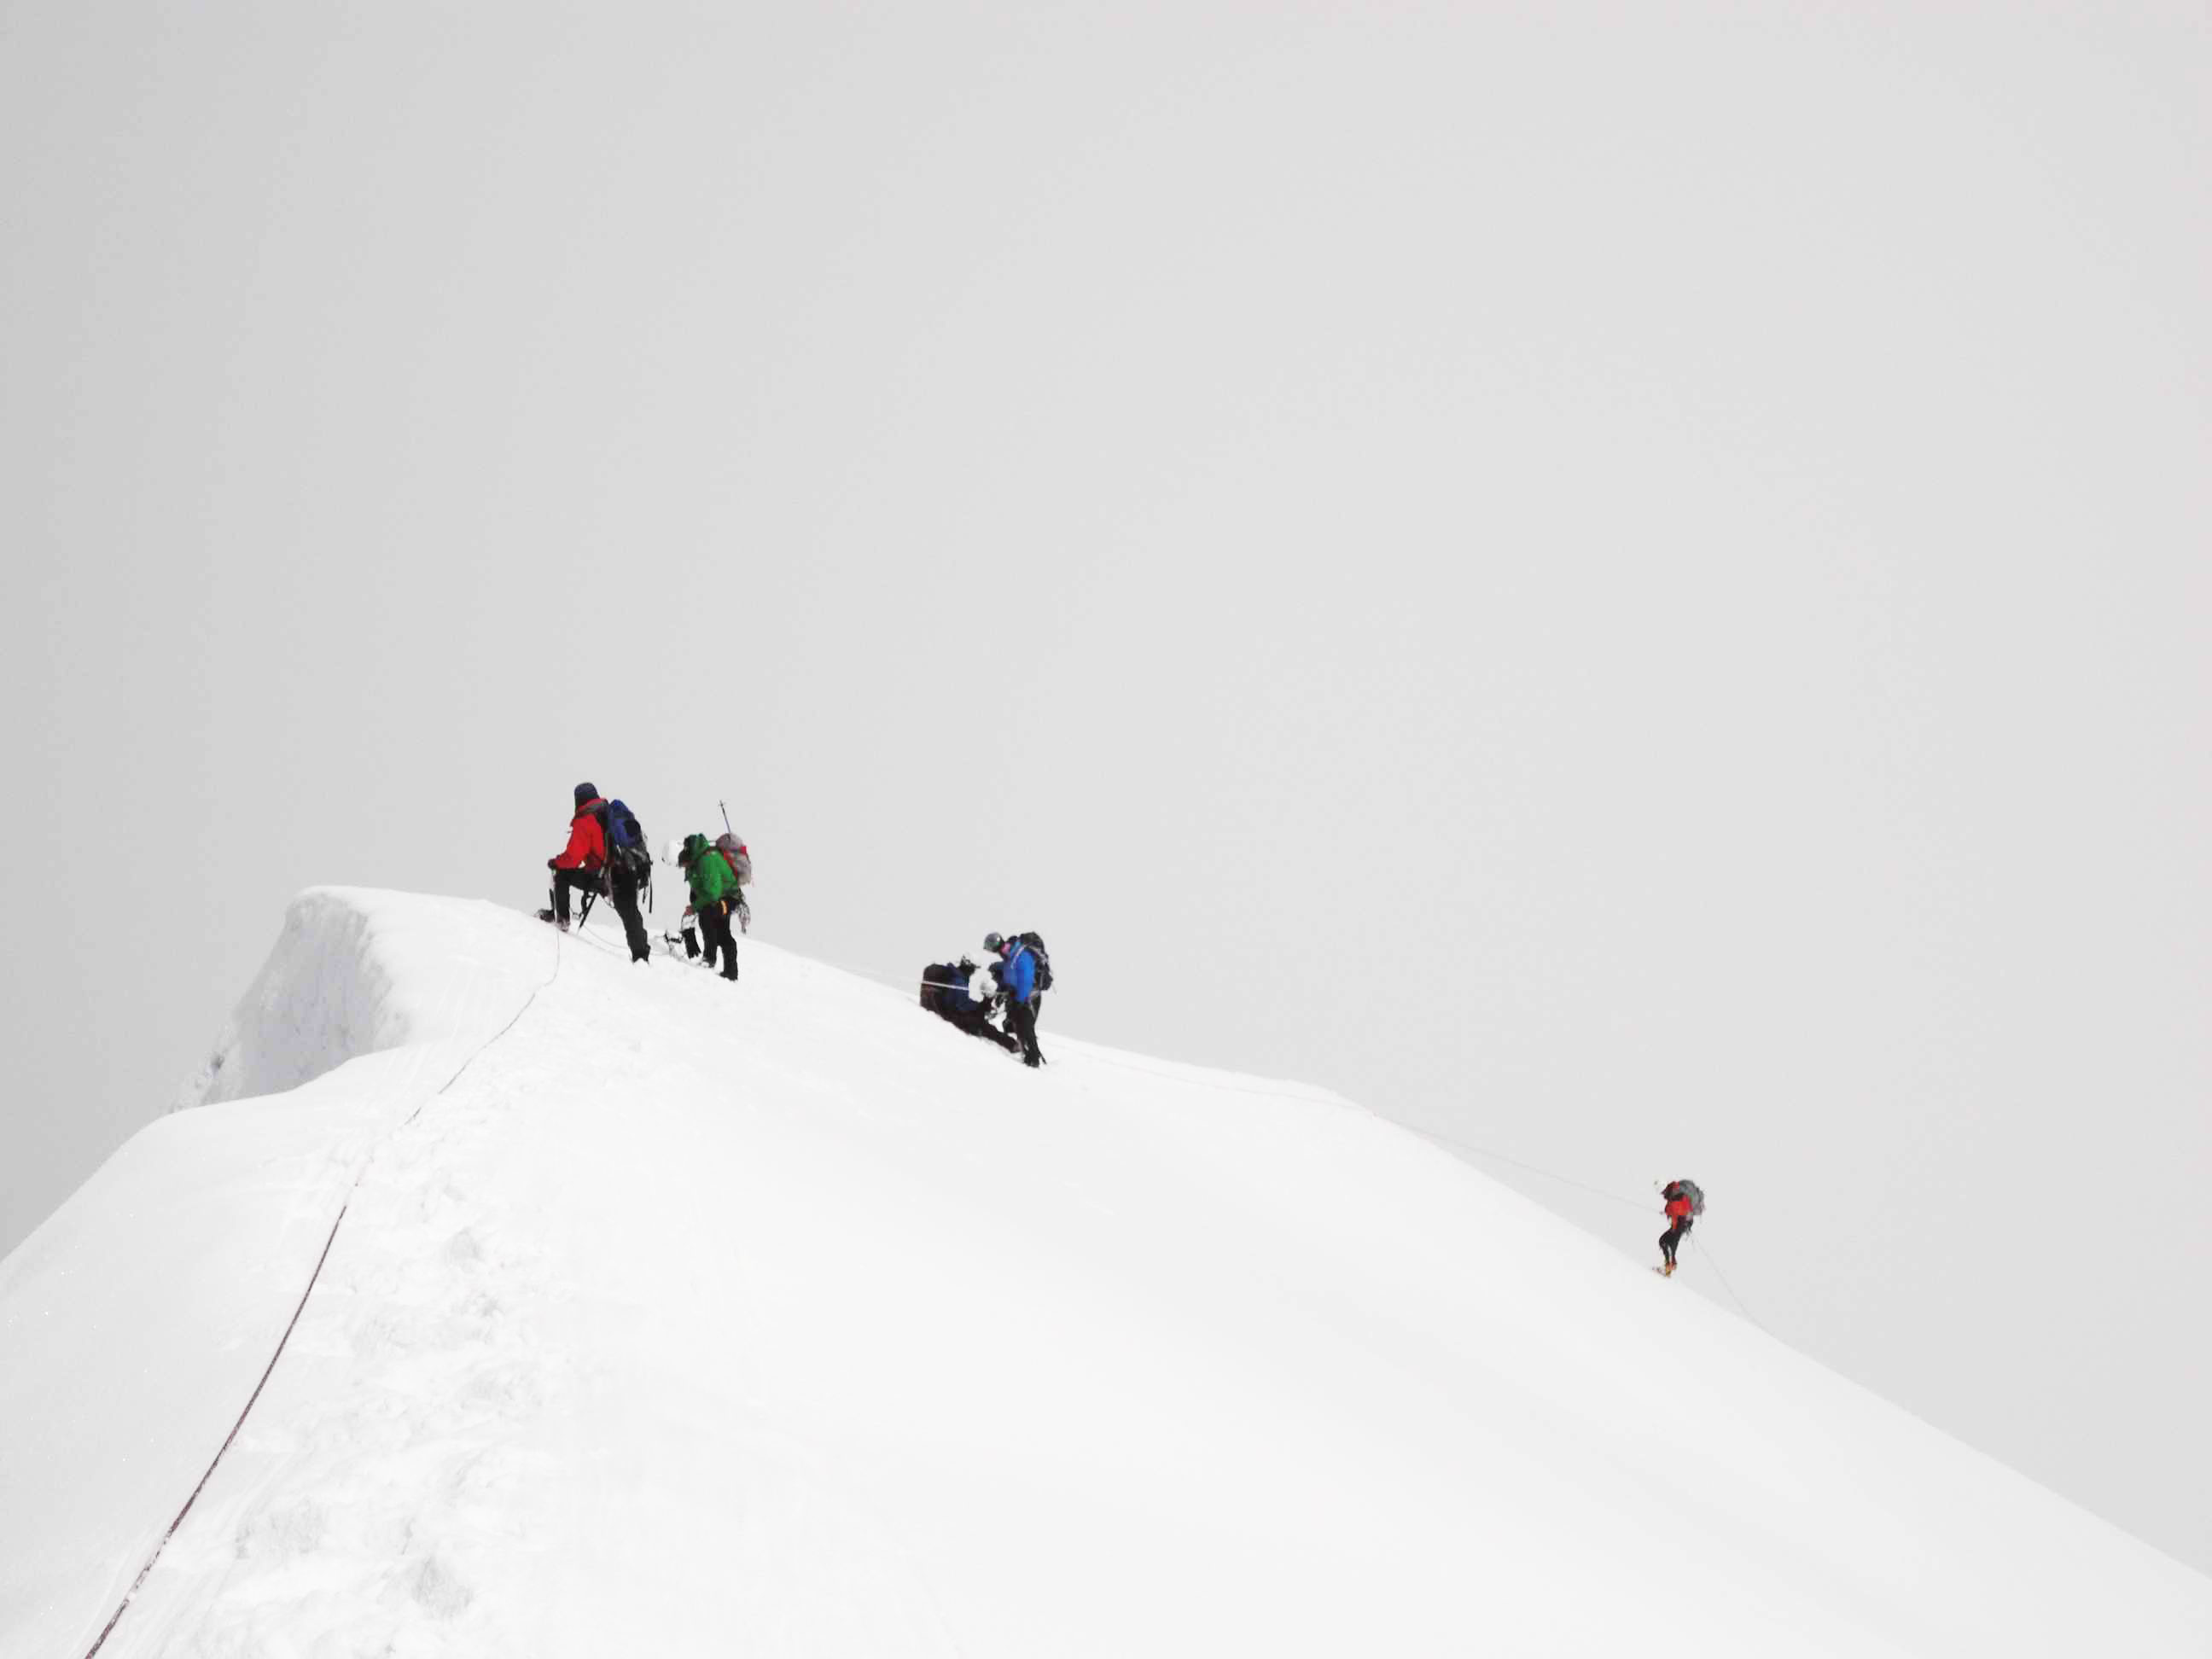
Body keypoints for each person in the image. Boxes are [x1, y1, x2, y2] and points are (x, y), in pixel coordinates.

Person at [540, 782, 608, 934]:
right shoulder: (606, 813)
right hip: (615, 871)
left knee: (561, 874)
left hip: (599, 876)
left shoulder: (585, 820)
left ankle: (561, 920)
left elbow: (572, 859)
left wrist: (556, 862)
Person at [921, 957, 1021, 1052]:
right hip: (951, 1014)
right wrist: (981, 1007)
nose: (973, 972)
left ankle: (1011, 1044)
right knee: (983, 1025)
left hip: (949, 1009)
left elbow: (962, 1002)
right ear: (969, 966)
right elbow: (963, 1005)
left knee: (979, 1018)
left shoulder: (956, 975)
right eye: (974, 969)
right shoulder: (958, 981)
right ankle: (1012, 1045)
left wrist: (981, 1007)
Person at [680, 832, 742, 981]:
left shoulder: (706, 861)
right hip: (721, 898)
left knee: (708, 918)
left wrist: (694, 907)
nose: (683, 868)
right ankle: (730, 973)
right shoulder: (697, 861)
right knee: (719, 930)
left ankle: (710, 959)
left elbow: (712, 894)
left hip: (729, 898)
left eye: (683, 865)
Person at [986, 929, 1045, 1068]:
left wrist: (1019, 1001)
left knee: (1026, 1025)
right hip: (1017, 996)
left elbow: (1026, 980)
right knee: (1014, 1024)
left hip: (1030, 997)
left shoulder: (1021, 956)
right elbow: (1008, 978)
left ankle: (1034, 1059)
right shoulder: (1009, 958)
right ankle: (1027, 1053)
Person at [1657, 1179, 1701, 1276]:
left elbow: (1678, 1211)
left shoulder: (1675, 1197)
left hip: (1682, 1223)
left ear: (1665, 1189)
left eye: (1662, 1192)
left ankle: (1669, 1267)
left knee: (1666, 1242)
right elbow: (1678, 1210)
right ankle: (1670, 1265)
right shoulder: (1674, 1192)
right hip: (1684, 1222)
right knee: (1666, 1242)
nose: (1662, 1194)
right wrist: (1667, 1213)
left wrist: (1675, 1227)